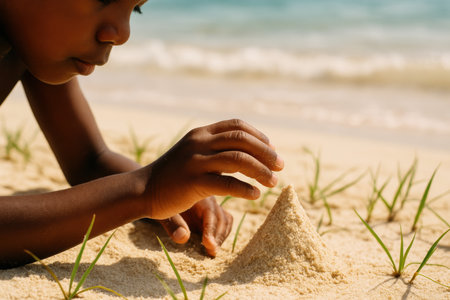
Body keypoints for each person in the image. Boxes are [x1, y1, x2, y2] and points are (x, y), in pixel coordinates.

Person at [0, 0, 284, 269]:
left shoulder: (27, 43)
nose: (122, 34)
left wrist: (166, 191)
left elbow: (88, 159)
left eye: (135, 9)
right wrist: (144, 190)